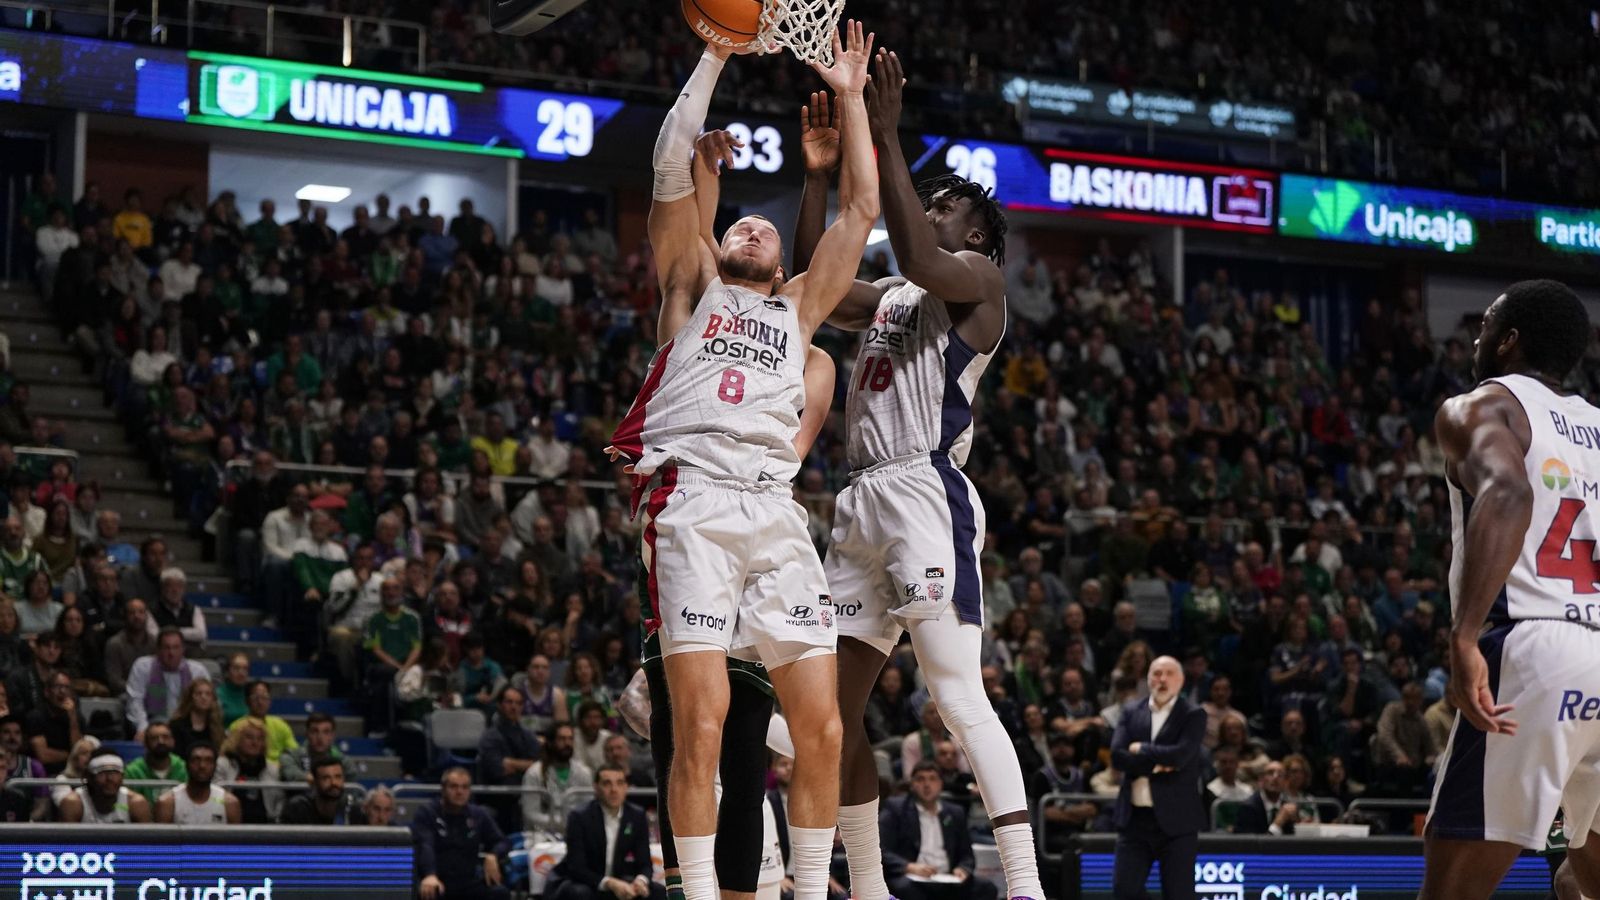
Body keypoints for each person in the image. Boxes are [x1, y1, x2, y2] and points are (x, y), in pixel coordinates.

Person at [605, 23, 878, 900]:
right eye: (743, 223)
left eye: (767, 228)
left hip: (775, 513)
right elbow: (666, 166)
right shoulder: (690, 286)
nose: (755, 229)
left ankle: (804, 889)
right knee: (706, 724)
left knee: (825, 731)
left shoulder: (799, 315)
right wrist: (717, 55)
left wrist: (852, 96)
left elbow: (863, 214)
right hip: (693, 504)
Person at [791, 49, 1034, 900]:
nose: (931, 207)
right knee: (824, 711)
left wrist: (887, 134)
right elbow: (810, 291)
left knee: (958, 696)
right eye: (928, 198)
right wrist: (820, 180)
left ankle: (1025, 885)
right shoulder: (894, 292)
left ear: (975, 233)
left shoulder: (976, 282)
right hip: (862, 499)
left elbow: (924, 258)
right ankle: (865, 887)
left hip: (928, 492)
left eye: (948, 204)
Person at [1421, 280, 1600, 900]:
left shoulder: (1481, 407)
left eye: (1487, 324)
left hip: (1537, 646)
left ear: (1510, 340)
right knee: (1583, 876)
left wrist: (1465, 634)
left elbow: (1509, 492)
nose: (1477, 336)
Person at [1108, 655, 1206, 900]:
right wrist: (1159, 764)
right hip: (1135, 821)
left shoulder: (1193, 714)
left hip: (1177, 822)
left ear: (1181, 681)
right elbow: (1118, 756)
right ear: (1148, 679)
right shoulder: (1131, 710)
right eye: (1156, 673)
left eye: (1169, 674)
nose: (1162, 679)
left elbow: (1182, 756)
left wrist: (1140, 749)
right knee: (1124, 890)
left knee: (1179, 894)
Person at [879, 761, 998, 900]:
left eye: (932, 778)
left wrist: (963, 869)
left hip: (947, 878)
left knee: (986, 888)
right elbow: (881, 849)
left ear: (941, 784)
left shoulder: (955, 812)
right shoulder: (896, 809)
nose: (927, 784)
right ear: (912, 784)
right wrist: (909, 866)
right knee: (904, 889)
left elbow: (967, 855)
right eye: (920, 779)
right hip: (914, 877)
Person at [546, 764, 666, 900]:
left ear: (626, 787)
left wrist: (640, 881)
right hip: (587, 881)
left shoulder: (637, 816)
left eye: (619, 783)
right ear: (596, 787)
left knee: (657, 892)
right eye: (607, 784)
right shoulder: (579, 816)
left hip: (621, 880)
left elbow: (645, 863)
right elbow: (576, 867)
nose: (614, 790)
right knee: (579, 893)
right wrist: (609, 883)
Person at [412, 767, 510, 900]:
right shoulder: (427, 813)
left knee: (499, 893)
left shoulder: (478, 815)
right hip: (438, 880)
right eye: (454, 787)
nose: (460, 792)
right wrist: (430, 874)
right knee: (430, 892)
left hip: (468, 882)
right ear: (443, 789)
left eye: (465, 787)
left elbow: (502, 841)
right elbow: (425, 845)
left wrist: (493, 855)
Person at [126, 627, 211, 739]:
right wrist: (142, 728)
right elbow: (135, 701)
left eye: (176, 647)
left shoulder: (197, 671)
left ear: (183, 649)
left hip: (187, 729)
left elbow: (209, 703)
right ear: (158, 649)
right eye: (166, 648)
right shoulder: (143, 666)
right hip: (152, 726)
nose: (171, 653)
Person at [522, 721, 594, 833]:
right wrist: (561, 824)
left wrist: (575, 825)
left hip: (577, 831)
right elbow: (531, 814)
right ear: (550, 742)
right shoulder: (534, 773)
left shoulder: (584, 772)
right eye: (562, 739)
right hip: (542, 833)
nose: (567, 743)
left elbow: (588, 808)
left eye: (570, 739)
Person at [155, 741, 241, 824]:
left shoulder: (229, 803)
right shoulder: (168, 803)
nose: (202, 766)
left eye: (208, 760)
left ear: (215, 766)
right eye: (196, 760)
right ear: (186, 764)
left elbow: (235, 838)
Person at [58, 753, 152, 823]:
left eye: (115, 773)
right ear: (89, 778)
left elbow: (146, 846)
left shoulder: (135, 803)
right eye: (102, 773)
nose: (110, 779)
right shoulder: (73, 802)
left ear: (122, 777)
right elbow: (66, 846)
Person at [279, 755, 366, 825]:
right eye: (326, 778)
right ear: (314, 782)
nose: (333, 783)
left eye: (338, 777)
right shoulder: (297, 809)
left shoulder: (352, 809)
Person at [280, 712, 355, 784]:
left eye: (326, 732)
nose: (320, 737)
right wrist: (319, 780)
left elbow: (352, 780)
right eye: (314, 731)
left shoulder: (343, 761)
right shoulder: (291, 756)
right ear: (307, 734)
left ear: (333, 736)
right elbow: (289, 772)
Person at [1232, 759, 1303, 836]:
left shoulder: (1289, 806)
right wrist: (1277, 824)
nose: (1275, 777)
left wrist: (1302, 826)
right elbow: (1250, 846)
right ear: (1261, 780)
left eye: (1280, 774)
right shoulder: (1248, 808)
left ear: (1286, 782)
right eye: (1270, 773)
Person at [124, 722, 187, 804]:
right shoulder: (133, 771)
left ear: (173, 741)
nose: (161, 741)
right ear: (145, 743)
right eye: (154, 738)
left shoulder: (183, 768)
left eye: (165, 737)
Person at [169, 678, 225, 759]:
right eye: (199, 694)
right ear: (191, 697)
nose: (203, 697)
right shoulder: (176, 725)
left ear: (213, 699)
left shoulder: (216, 726)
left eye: (208, 694)